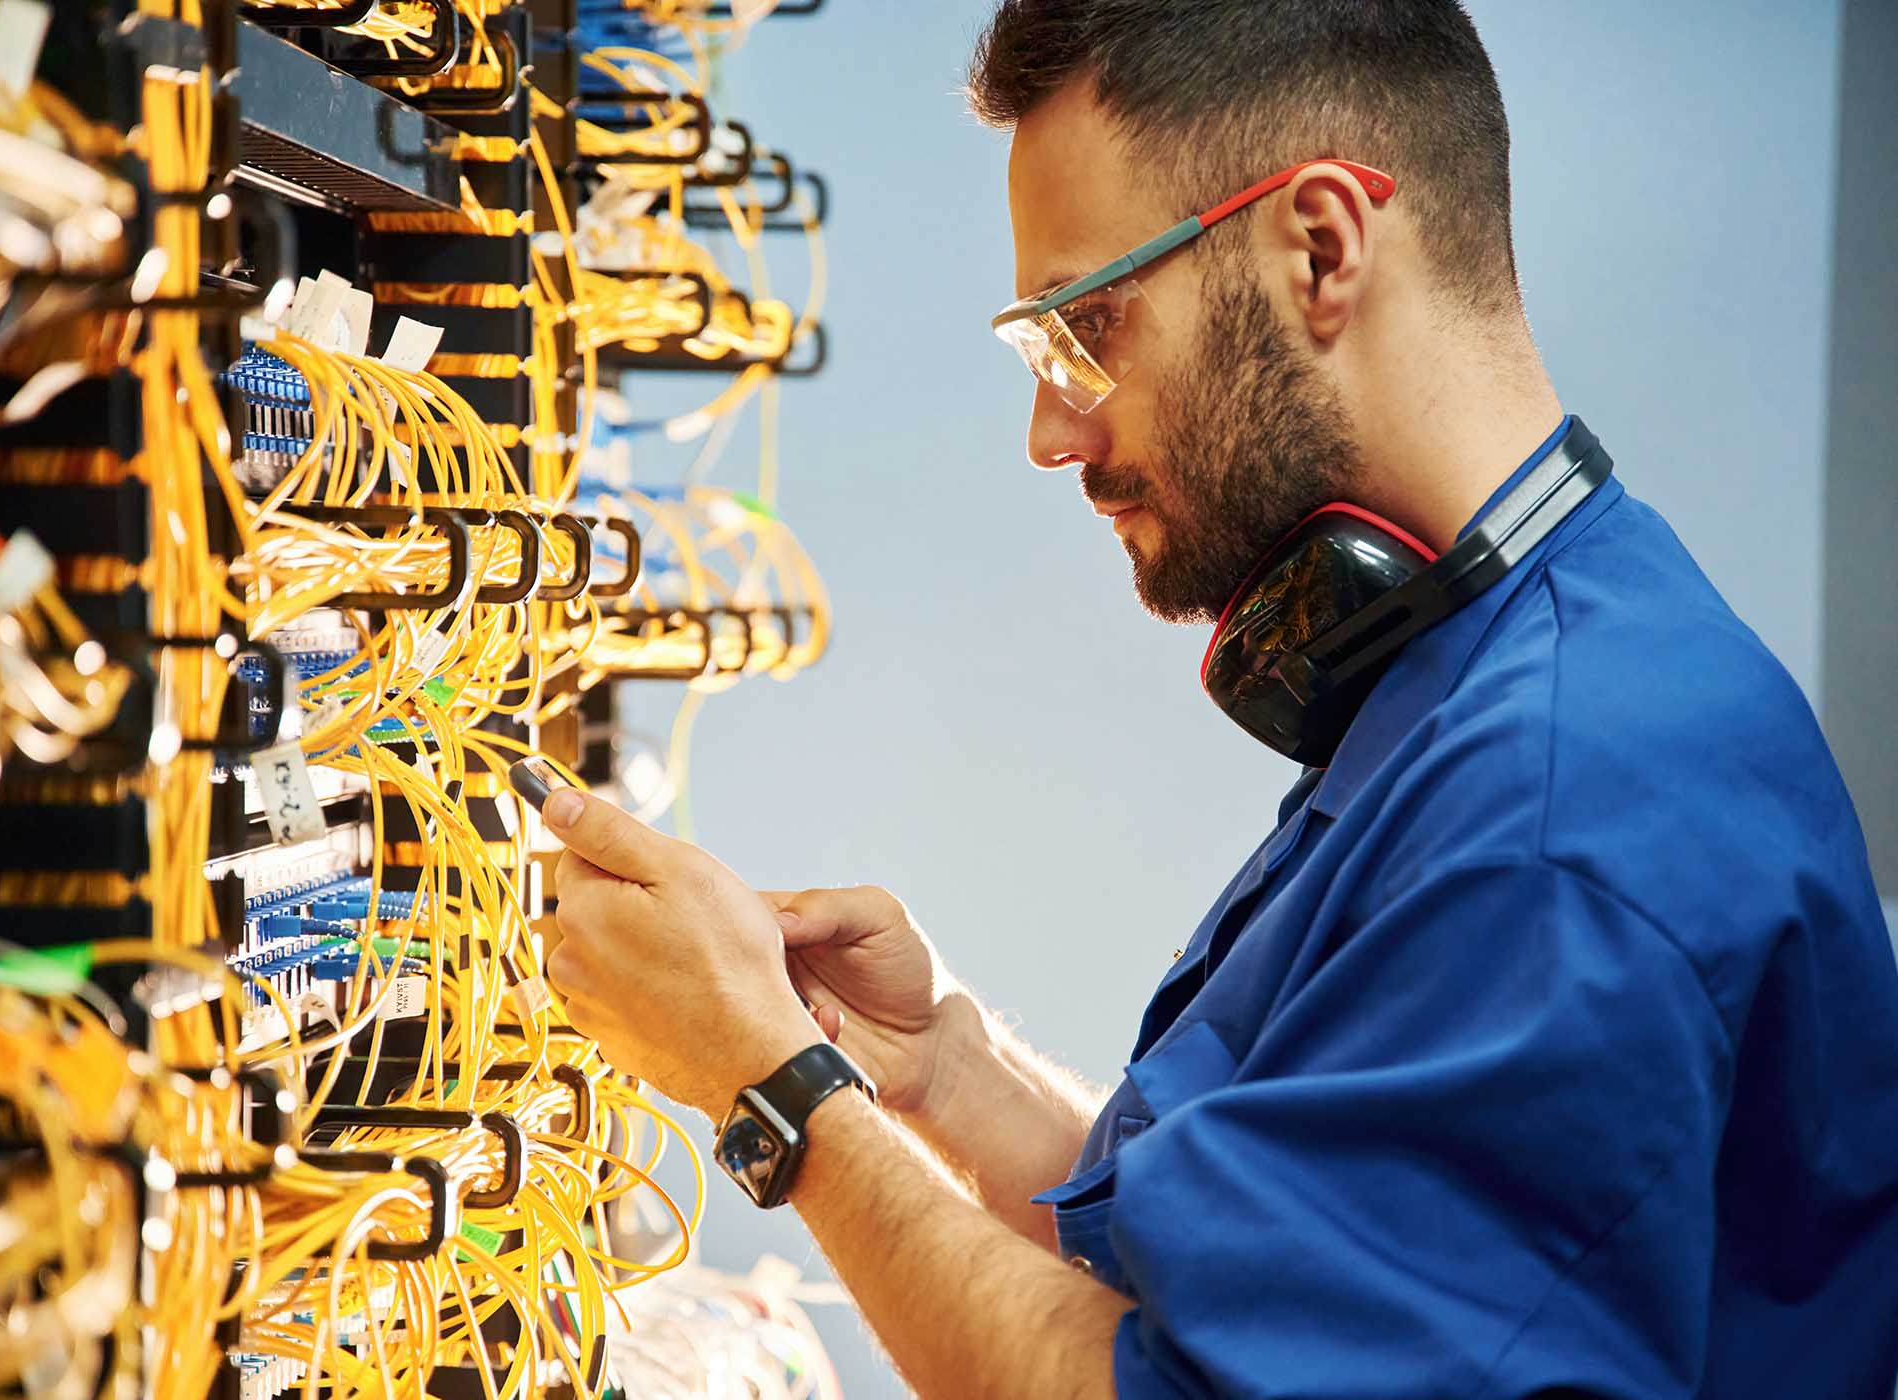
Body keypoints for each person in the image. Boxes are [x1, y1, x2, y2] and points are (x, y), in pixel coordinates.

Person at [533, 2, 1898, 1396]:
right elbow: (1288, 1274)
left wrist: (774, 1089)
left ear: (1319, 247)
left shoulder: (1560, 818)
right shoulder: (1490, 663)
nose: (1051, 432)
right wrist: (949, 1070)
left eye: (1092, 327)